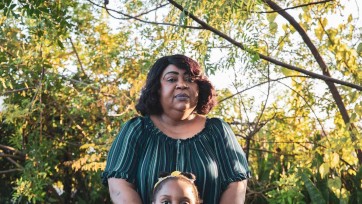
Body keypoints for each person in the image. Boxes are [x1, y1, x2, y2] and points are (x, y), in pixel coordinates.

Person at [101, 54, 251, 204]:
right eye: (172, 79)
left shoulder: (218, 130)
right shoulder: (136, 130)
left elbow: (236, 185)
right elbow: (119, 185)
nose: (182, 85)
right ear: (157, 88)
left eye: (190, 80)